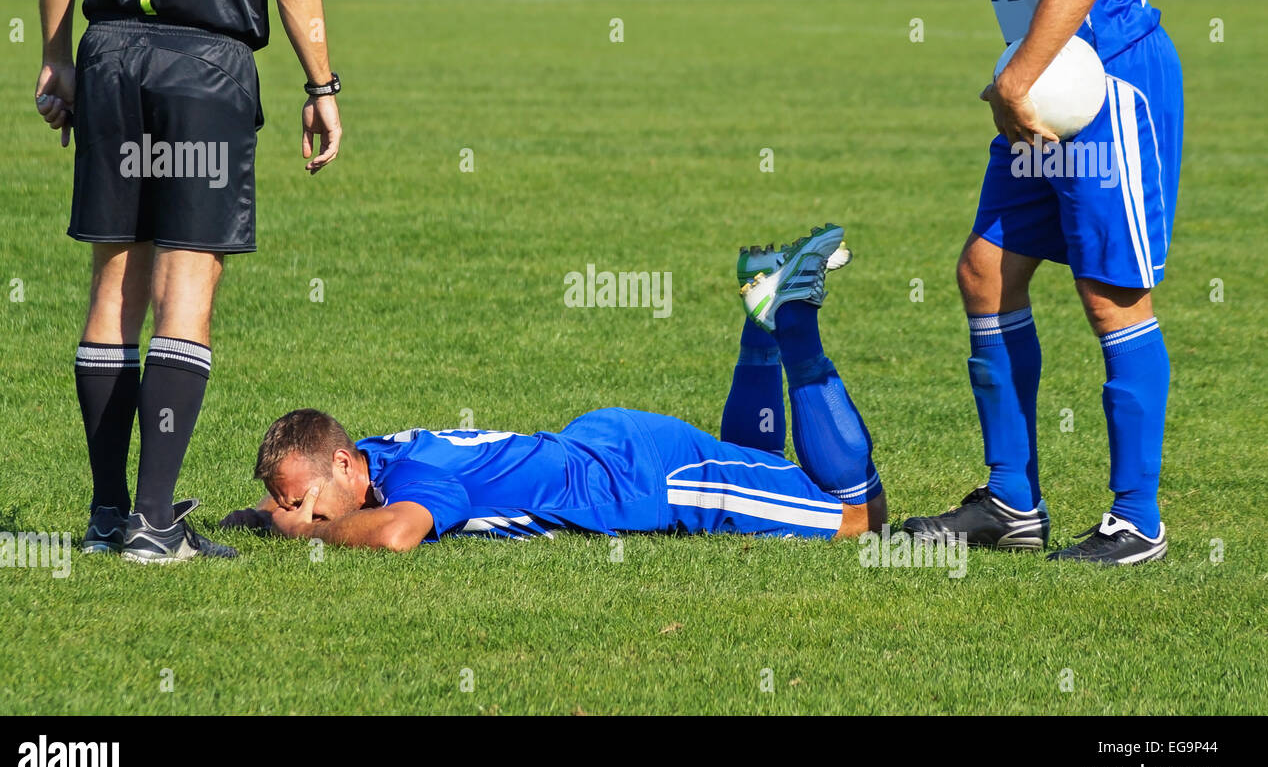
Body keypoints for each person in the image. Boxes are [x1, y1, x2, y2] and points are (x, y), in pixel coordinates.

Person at [222, 225, 888, 550]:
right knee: (764, 465)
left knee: (861, 520)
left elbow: (396, 534)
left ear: (341, 463)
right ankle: (763, 308)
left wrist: (302, 536)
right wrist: (261, 512)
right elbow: (338, 495)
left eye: (303, 501)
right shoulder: (373, 457)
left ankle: (792, 315)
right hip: (607, 448)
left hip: (643, 477)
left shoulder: (416, 479)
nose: (301, 514)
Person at [33, 0, 343, 563]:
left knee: (113, 288)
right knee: (186, 291)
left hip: (111, 62)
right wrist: (322, 84)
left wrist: (57, 61)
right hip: (206, 73)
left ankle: (108, 516)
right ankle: (153, 523)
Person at [903, 0, 1181, 564]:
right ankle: (1011, 503)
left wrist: (1013, 82)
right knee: (986, 269)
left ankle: (1137, 521)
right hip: (1055, 82)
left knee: (1113, 296)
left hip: (1098, 85)